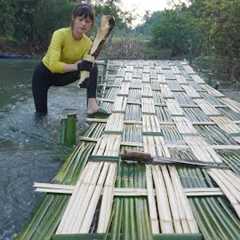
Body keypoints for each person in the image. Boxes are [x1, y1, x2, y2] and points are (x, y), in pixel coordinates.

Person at [32, 3, 109, 119]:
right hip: (44, 75)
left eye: (87, 21)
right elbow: (53, 65)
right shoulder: (59, 34)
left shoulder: (88, 43)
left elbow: (85, 66)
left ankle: (92, 106)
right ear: (73, 18)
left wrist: (85, 72)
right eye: (81, 19)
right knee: (41, 115)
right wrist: (76, 66)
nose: (83, 24)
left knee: (92, 66)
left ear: (91, 24)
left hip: (64, 76)